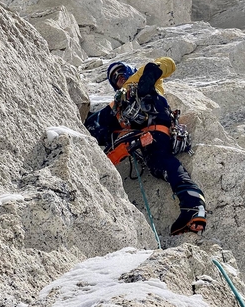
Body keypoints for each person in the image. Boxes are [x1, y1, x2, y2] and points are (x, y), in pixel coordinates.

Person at [85, 57, 206, 235]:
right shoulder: (117, 103)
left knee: (163, 159)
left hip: (156, 121)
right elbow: (92, 126)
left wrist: (150, 73)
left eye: (121, 72)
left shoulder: (141, 76)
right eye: (115, 78)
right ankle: (193, 207)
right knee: (159, 164)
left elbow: (169, 63)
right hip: (145, 137)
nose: (119, 77)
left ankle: (194, 205)